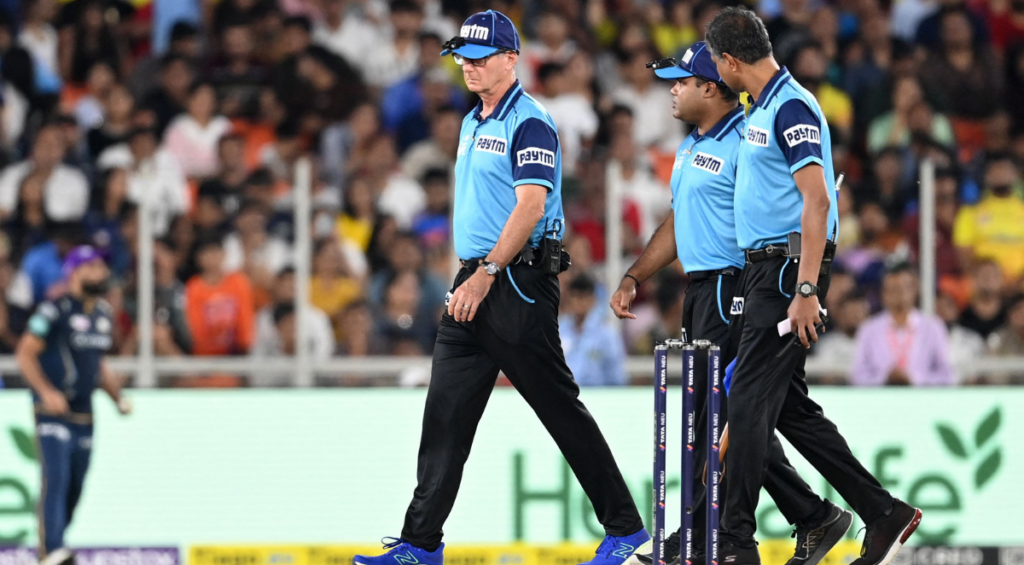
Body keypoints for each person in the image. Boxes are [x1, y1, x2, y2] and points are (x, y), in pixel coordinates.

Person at [354, 11, 649, 565]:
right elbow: (478, 211)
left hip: (515, 280)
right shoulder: (472, 121)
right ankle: (420, 543)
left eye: (480, 56)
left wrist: (487, 273)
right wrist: (468, 274)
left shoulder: (530, 121)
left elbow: (531, 205)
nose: (467, 66)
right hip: (477, 277)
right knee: (444, 415)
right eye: (462, 57)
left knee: (558, 407)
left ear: (512, 59)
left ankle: (626, 528)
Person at [611, 44, 850, 565]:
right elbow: (677, 223)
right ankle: (810, 516)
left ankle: (707, 538)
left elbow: (782, 211)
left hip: (737, 288)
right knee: (733, 417)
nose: (671, 89)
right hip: (701, 291)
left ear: (712, 87)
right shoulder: (691, 146)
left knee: (720, 418)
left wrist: (791, 286)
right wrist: (634, 275)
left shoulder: (748, 139)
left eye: (681, 81)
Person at [705, 8, 921, 564]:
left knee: (748, 400)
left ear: (730, 60)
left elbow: (817, 198)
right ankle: (881, 511)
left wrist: (804, 290)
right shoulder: (764, 104)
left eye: (714, 63)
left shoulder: (792, 105)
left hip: (785, 271)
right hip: (770, 269)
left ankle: (732, 541)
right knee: (787, 408)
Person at [14, 246, 131, 565]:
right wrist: (46, 392)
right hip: (53, 411)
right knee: (57, 476)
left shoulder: (103, 314)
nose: (101, 273)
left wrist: (117, 397)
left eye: (102, 267)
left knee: (77, 484)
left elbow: (98, 363)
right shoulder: (54, 309)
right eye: (92, 267)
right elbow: (25, 353)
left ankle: (55, 548)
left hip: (84, 412)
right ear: (74, 272)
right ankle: (52, 548)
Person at [851, 264, 955, 386]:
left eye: (903, 288)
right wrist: (884, 378)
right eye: (892, 289)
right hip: (881, 399)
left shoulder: (933, 327)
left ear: (914, 290)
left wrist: (914, 379)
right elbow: (857, 374)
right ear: (883, 294)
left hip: (922, 399)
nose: (898, 294)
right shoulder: (869, 329)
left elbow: (947, 375)